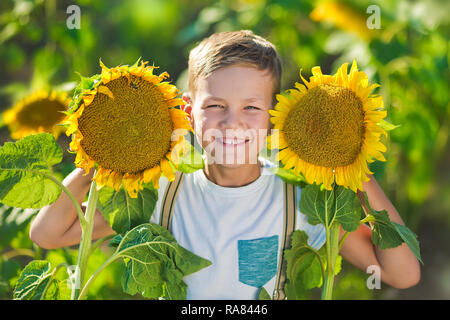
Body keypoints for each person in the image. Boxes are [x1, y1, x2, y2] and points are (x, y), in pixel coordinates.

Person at [29, 30, 420, 300]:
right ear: (188, 112)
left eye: (251, 108)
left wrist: (355, 169)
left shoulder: (304, 202)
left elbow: (403, 274)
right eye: (215, 106)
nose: (232, 123)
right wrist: (96, 159)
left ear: (272, 117)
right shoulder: (163, 193)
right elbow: (48, 234)